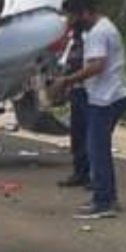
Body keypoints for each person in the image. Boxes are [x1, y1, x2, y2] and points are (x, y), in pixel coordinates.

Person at [54, 0, 126, 219]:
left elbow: (96, 66)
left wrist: (67, 81)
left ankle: (104, 201)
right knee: (98, 149)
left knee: (97, 151)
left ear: (85, 12)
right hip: (109, 96)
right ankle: (107, 197)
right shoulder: (104, 28)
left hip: (106, 98)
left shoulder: (98, 32)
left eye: (72, 16)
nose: (70, 21)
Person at [55, 22, 90, 189]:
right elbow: (64, 64)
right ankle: (79, 172)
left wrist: (67, 81)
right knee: (77, 135)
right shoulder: (72, 42)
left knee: (88, 136)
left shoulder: (89, 39)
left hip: (88, 92)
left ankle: (90, 174)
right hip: (75, 91)